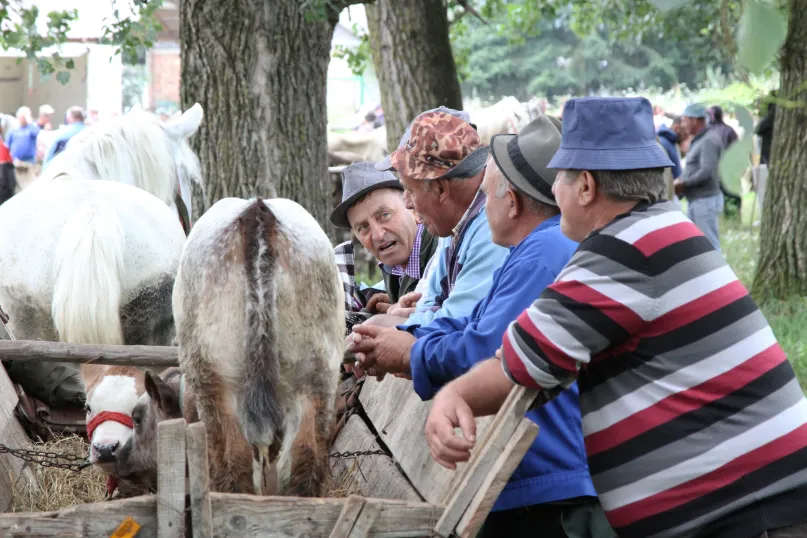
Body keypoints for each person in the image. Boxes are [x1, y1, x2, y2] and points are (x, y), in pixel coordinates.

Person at [424, 96, 807, 538]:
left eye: (560, 178)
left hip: (750, 514)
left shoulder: (621, 251)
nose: (553, 192)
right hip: (762, 504)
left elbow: (518, 367)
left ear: (585, 186)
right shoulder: (667, 229)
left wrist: (454, 398)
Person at [350, 116, 614, 537]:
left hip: (550, 489)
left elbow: (487, 349)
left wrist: (407, 350)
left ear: (511, 201)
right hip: (534, 480)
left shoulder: (542, 252)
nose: (479, 205)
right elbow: (467, 326)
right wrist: (408, 340)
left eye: (486, 192)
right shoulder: (528, 251)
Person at [372, 107, 510, 328]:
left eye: (410, 191)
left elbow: (456, 323)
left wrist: (394, 325)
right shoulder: (453, 220)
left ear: (441, 189)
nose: (406, 202)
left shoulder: (492, 228)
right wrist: (417, 315)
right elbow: (433, 301)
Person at [331, 161, 439, 320]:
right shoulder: (395, 268)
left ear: (413, 209)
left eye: (385, 215)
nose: (377, 235)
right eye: (363, 227)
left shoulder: (443, 251)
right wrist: (395, 301)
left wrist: (411, 314)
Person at [674, 103, 724, 251]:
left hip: (705, 201)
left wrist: (683, 183)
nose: (683, 125)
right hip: (698, 200)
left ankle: (718, 274)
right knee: (697, 246)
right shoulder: (701, 139)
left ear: (694, 120)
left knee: (710, 245)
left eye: (685, 120)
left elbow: (706, 171)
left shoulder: (708, 140)